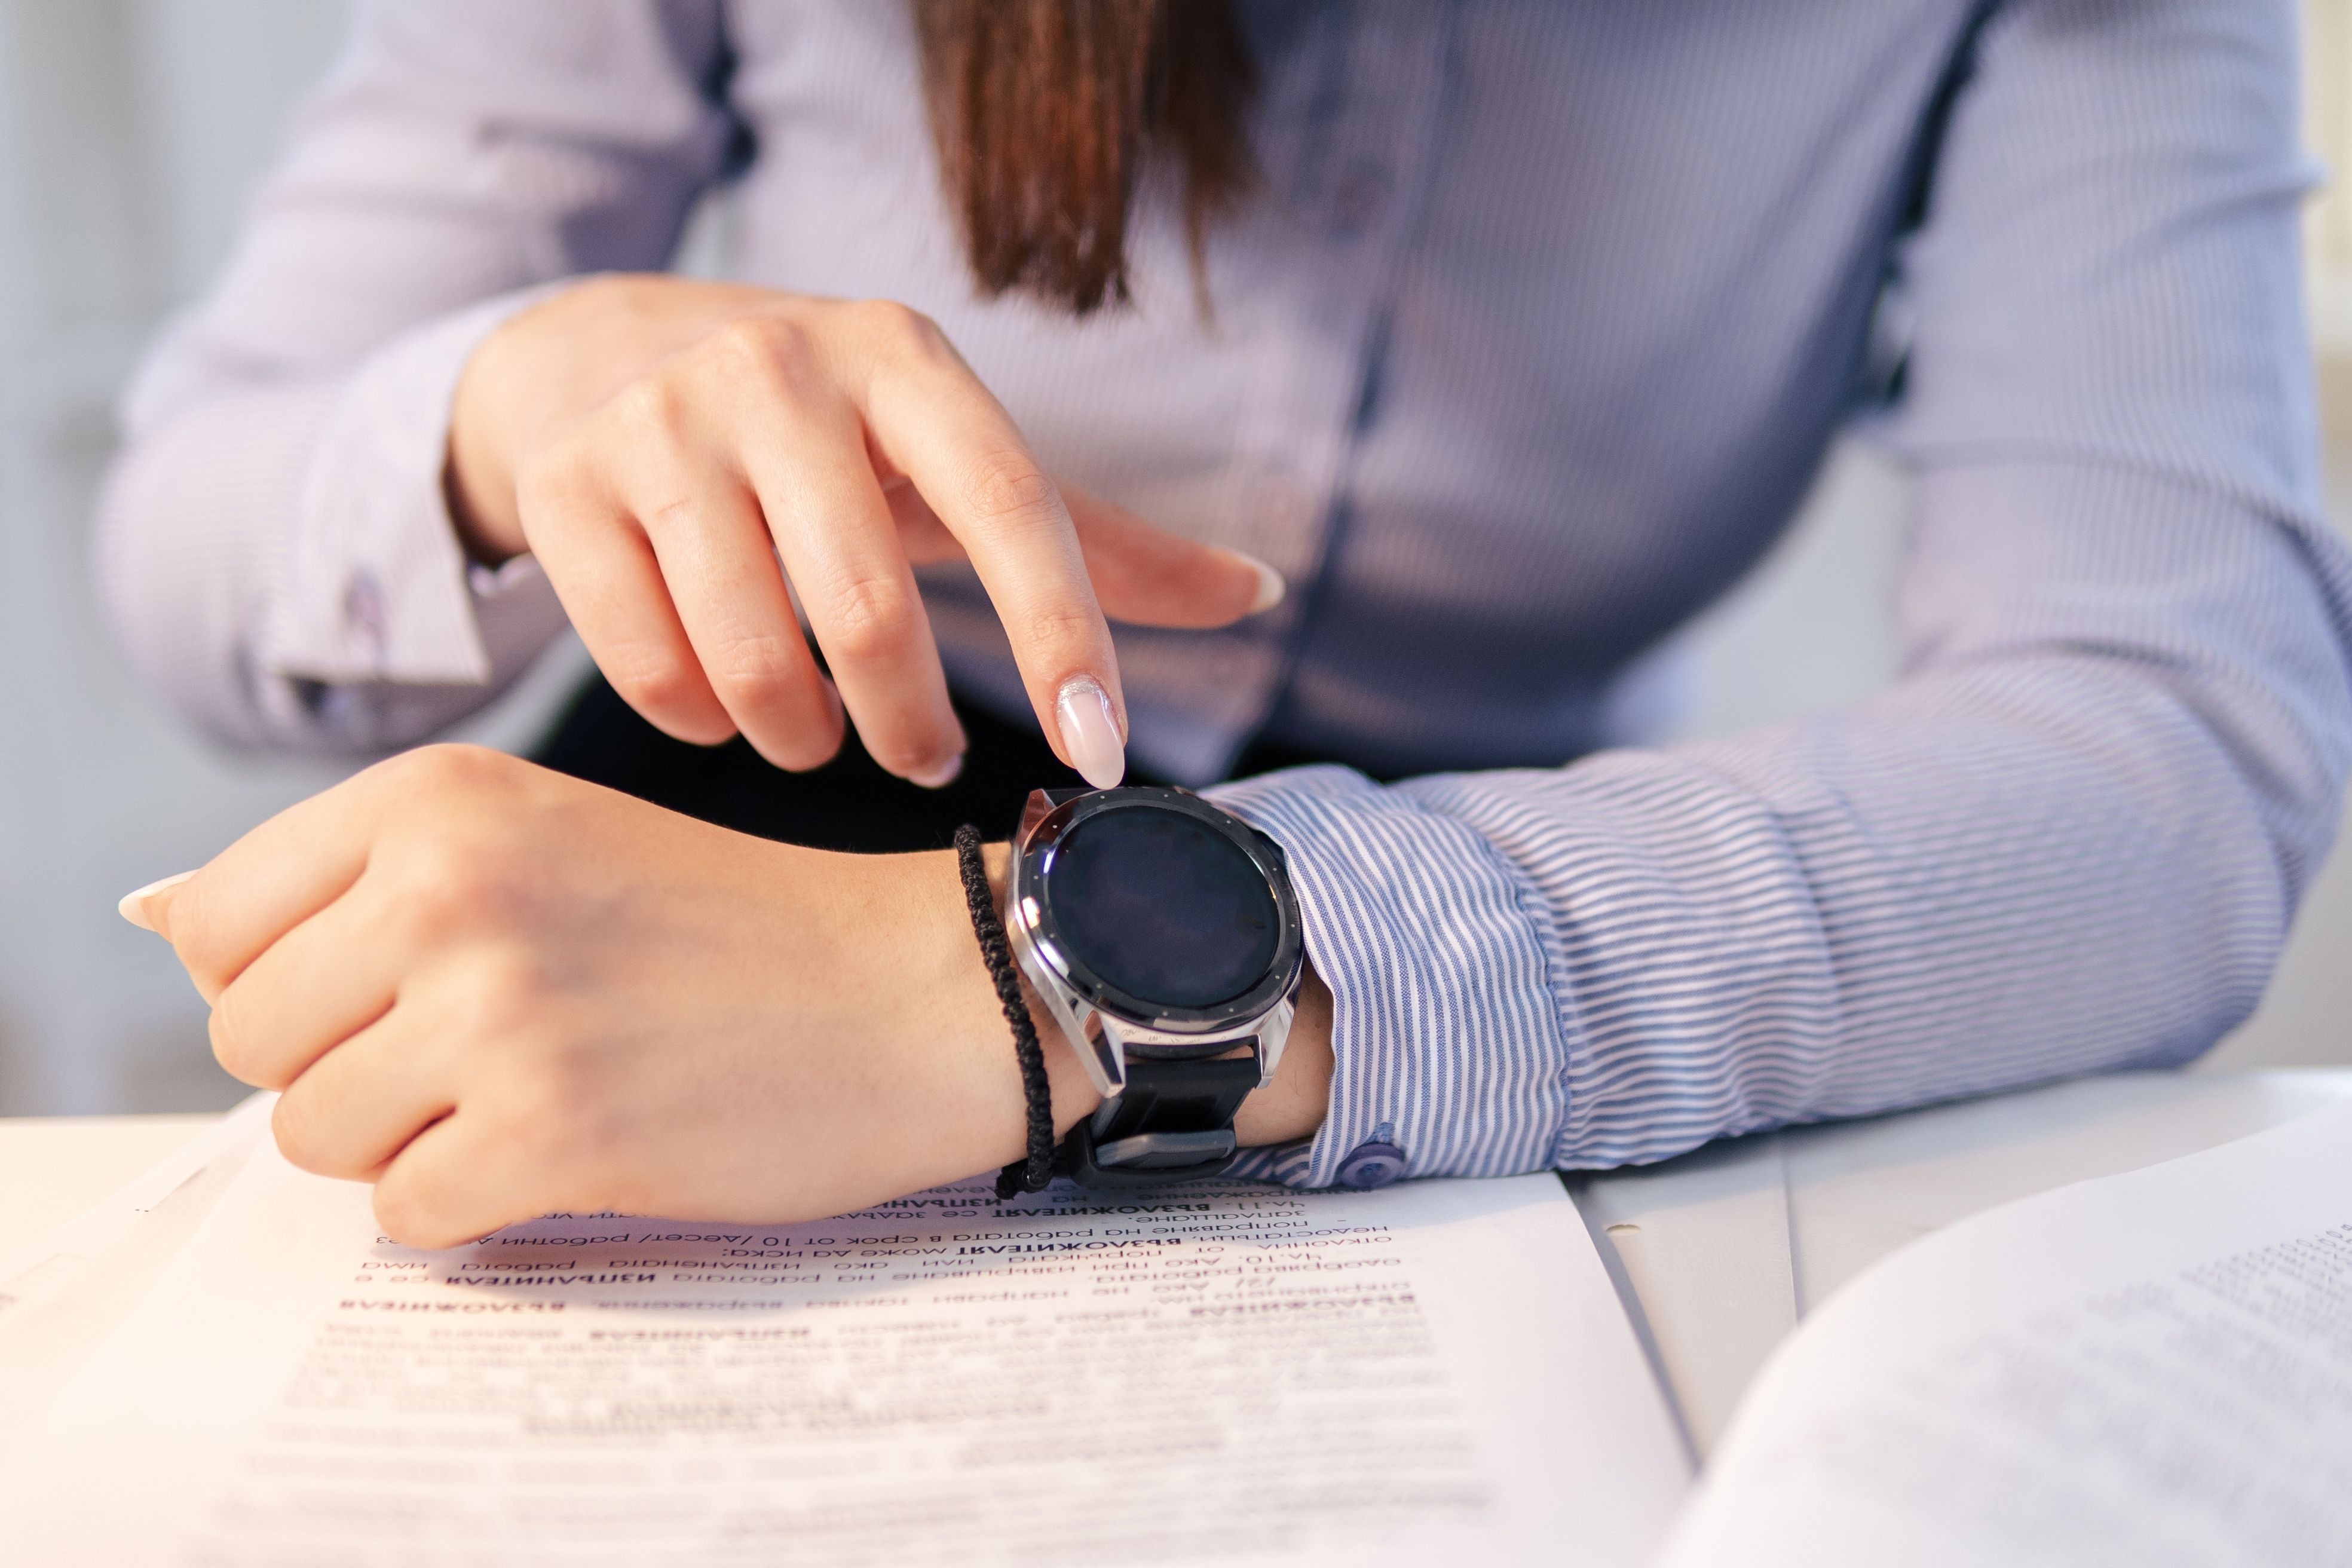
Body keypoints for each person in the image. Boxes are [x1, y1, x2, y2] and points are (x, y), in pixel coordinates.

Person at [105, 1, 2352, 1247]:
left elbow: (2169, 756)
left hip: (1491, 972)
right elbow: (186, 534)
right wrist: (516, 388)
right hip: (693, 880)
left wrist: (1031, 988)